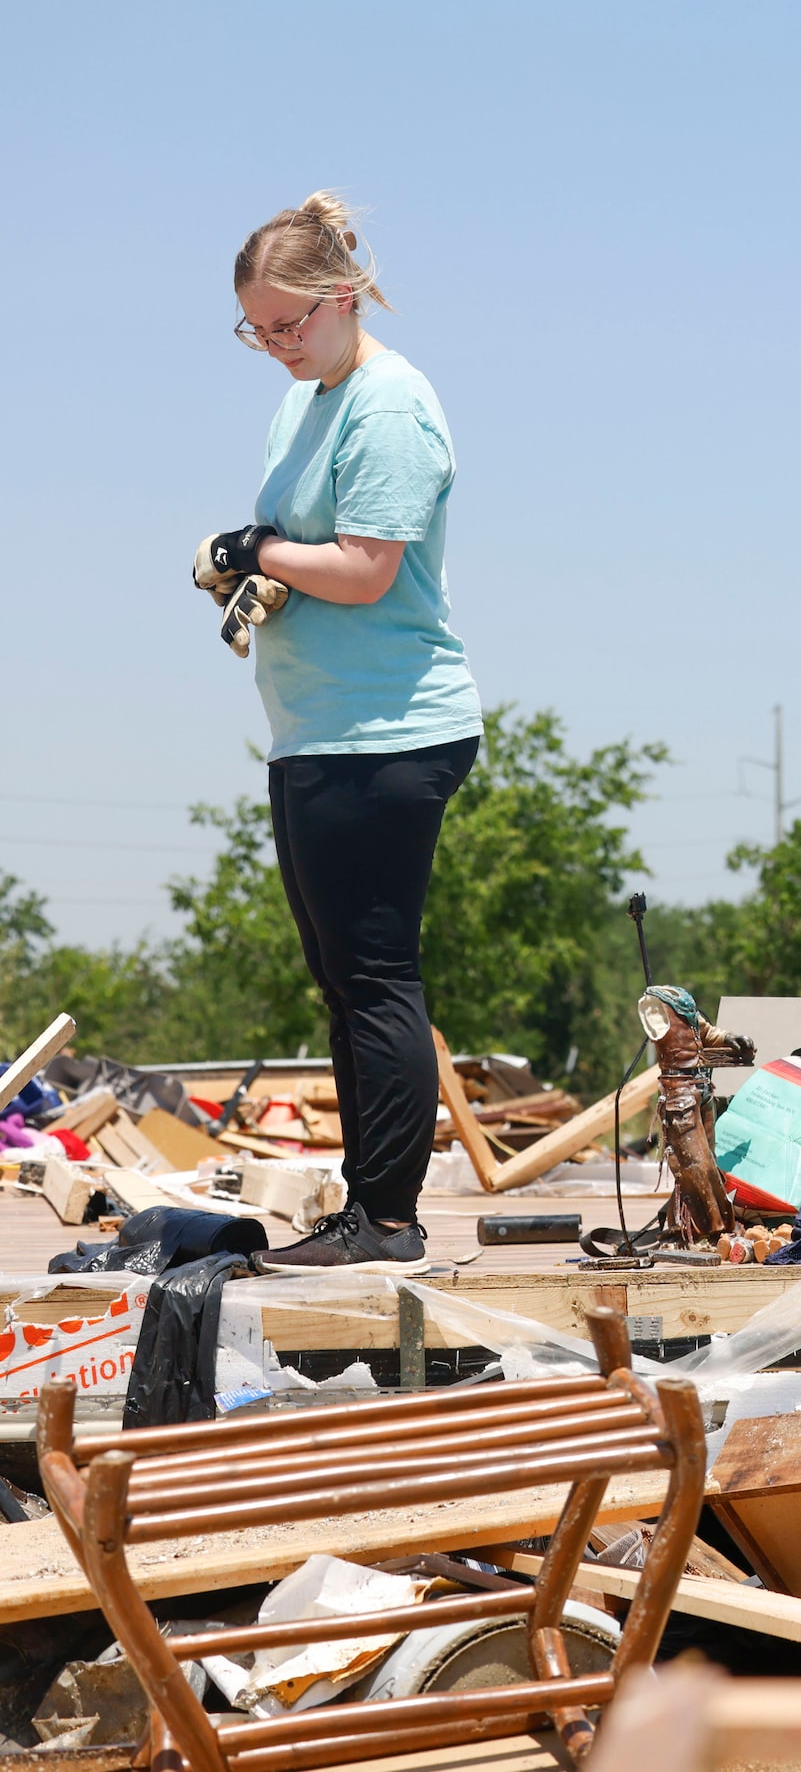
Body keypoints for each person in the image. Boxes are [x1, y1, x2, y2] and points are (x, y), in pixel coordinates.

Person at [203, 193, 484, 1270]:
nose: (275, 346)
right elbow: (300, 551)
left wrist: (260, 550)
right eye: (257, 330)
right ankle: (367, 1212)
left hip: (388, 731)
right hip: (317, 731)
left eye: (289, 324)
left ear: (346, 295)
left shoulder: (388, 404)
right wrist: (253, 564)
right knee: (345, 978)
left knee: (376, 974)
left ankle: (390, 1220)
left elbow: (365, 570)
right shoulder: (307, 400)